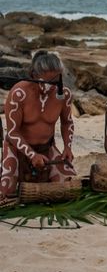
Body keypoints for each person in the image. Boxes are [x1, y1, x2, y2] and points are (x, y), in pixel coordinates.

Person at [1, 51, 76, 199]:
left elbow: (67, 122)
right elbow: (12, 133)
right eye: (46, 82)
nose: (50, 87)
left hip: (46, 148)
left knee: (68, 188)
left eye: (55, 81)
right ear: (34, 75)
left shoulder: (63, 95)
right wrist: (32, 155)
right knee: (5, 193)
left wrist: (67, 147)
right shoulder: (19, 93)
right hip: (16, 150)